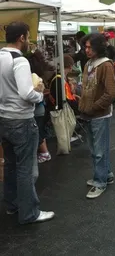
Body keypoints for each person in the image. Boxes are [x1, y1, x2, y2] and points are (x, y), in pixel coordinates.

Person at [0, 21, 55, 224]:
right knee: (24, 168)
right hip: (21, 120)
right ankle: (30, 213)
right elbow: (26, 93)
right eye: (28, 35)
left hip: (3, 118)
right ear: (21, 37)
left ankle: (12, 205)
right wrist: (39, 93)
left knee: (10, 165)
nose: (29, 39)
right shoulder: (20, 60)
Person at [79, 33, 115, 199]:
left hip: (99, 115)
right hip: (88, 113)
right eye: (85, 47)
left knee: (99, 150)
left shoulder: (105, 65)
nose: (86, 50)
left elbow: (110, 94)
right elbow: (87, 87)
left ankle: (100, 181)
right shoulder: (89, 64)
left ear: (98, 47)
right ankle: (105, 175)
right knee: (95, 149)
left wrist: (93, 107)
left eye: (89, 47)